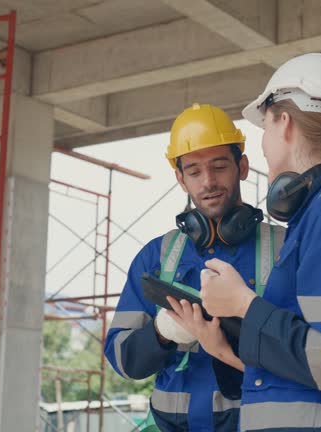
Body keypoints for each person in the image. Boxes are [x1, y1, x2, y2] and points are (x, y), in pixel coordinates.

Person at [168, 54, 321, 431]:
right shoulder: (320, 215)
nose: (262, 145)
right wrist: (223, 351)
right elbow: (308, 370)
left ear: (284, 121)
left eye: (264, 127)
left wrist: (244, 304)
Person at [104, 103, 285, 432]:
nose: (208, 182)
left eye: (219, 166)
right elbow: (122, 358)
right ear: (180, 178)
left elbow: (309, 353)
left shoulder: (284, 249)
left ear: (242, 166)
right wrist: (163, 332)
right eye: (194, 171)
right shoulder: (158, 256)